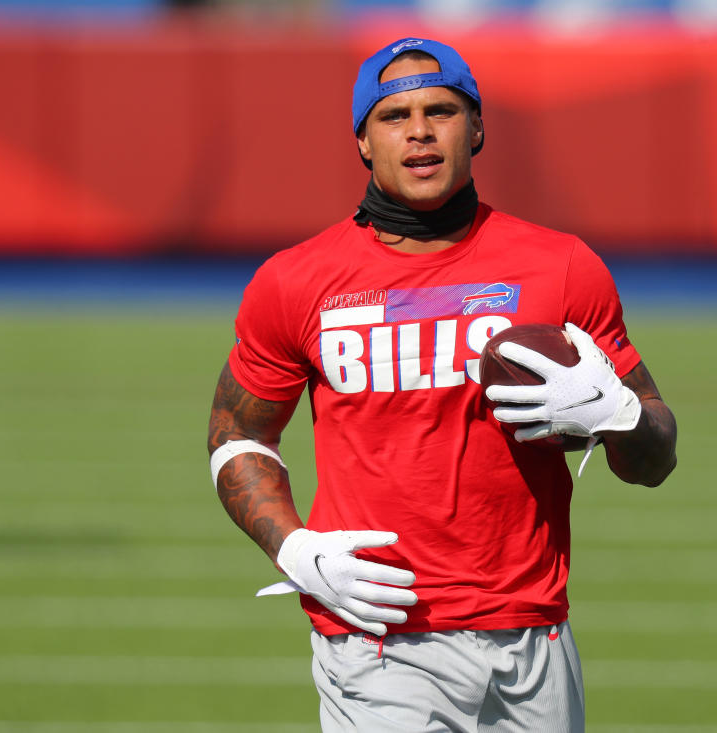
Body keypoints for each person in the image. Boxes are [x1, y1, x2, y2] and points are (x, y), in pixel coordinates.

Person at [207, 37, 677, 732]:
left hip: (533, 634)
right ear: (363, 141)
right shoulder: (295, 281)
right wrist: (293, 547)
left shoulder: (563, 268)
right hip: (376, 638)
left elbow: (656, 455)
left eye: (442, 110)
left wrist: (620, 416)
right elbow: (238, 431)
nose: (420, 130)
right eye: (394, 116)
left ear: (479, 128)